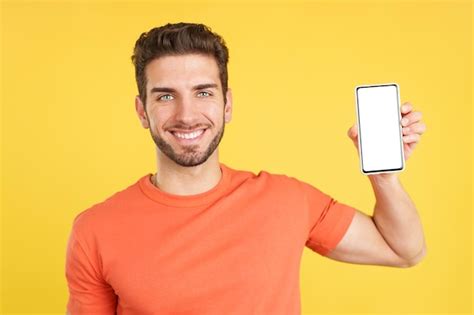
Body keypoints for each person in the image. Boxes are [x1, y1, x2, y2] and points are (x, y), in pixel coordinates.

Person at [65, 22, 427, 314]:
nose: (187, 114)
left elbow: (403, 250)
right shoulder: (96, 229)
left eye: (204, 92)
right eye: (165, 96)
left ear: (228, 105)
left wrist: (384, 177)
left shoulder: (285, 200)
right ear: (142, 111)